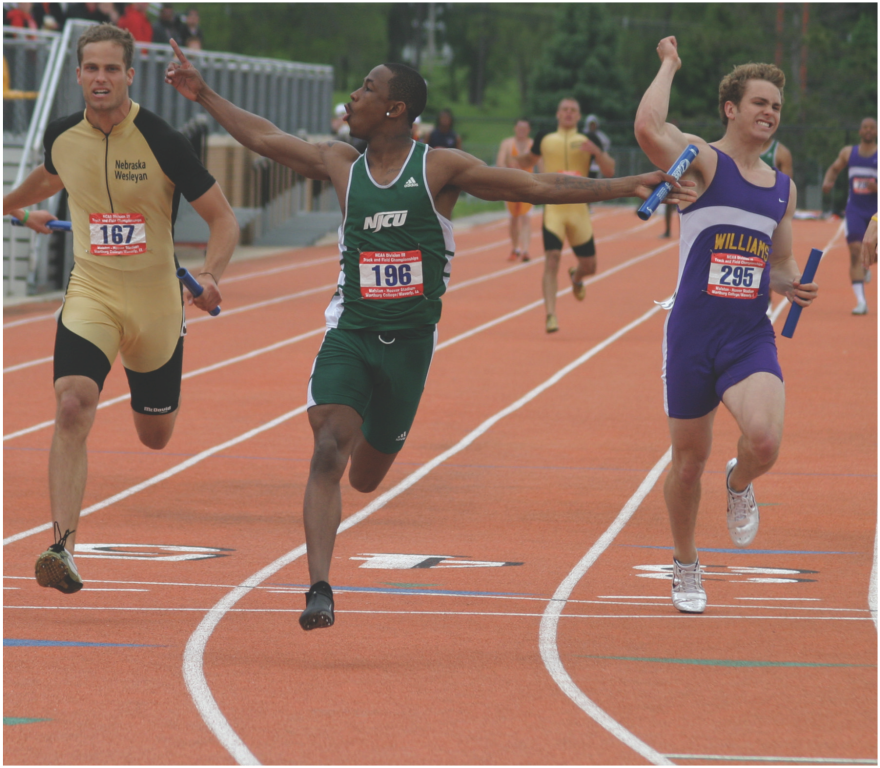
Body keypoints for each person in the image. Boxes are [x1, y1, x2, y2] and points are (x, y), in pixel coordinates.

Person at [164, 44, 694, 631]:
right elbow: (264, 139)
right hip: (352, 330)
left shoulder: (439, 169)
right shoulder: (341, 162)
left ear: (394, 109)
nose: (352, 96)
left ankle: (363, 455)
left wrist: (627, 186)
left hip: (411, 346)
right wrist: (204, 93)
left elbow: (535, 187)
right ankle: (319, 587)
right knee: (327, 447)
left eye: (365, 89)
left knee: (365, 476)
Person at [1, 24, 239, 595]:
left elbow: (223, 219)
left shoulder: (162, 139)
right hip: (93, 294)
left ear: (130, 75)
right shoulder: (62, 136)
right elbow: (50, 178)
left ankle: (152, 388)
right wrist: (10, 207)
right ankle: (63, 546)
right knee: (72, 406)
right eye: (91, 68)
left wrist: (209, 274)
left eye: (112, 68)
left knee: (155, 435)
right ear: (78, 74)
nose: (100, 78)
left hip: (157, 304)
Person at [634, 37, 818, 615]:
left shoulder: (780, 189)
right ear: (731, 108)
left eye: (777, 107)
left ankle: (739, 483)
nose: (770, 112)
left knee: (764, 440)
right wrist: (669, 64)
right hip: (691, 333)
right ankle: (686, 563)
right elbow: (646, 126)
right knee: (688, 463)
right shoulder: (701, 161)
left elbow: (781, 263)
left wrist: (792, 284)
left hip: (747, 334)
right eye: (760, 102)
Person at [514, 97, 615, 333]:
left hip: (579, 210)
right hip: (554, 209)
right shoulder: (545, 138)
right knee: (551, 259)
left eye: (573, 110)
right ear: (558, 114)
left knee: (590, 266)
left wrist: (597, 152)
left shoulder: (589, 139)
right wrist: (514, 159)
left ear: (579, 116)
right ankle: (551, 315)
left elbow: (610, 169)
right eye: (565, 110)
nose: (569, 113)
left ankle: (577, 277)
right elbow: (528, 160)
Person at [822, 117, 878, 314]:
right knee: (855, 251)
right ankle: (861, 302)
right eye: (865, 127)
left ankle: (868, 264)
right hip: (855, 209)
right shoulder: (849, 152)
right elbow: (835, 168)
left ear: (876, 132)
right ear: (860, 131)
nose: (868, 130)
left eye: (872, 127)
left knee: (872, 253)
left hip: (876, 213)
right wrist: (828, 182)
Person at [496, 117, 536, 262]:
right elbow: (500, 163)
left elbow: (541, 164)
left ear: (528, 130)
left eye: (524, 128)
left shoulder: (533, 145)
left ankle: (525, 250)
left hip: (527, 186)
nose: (521, 131)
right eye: (519, 128)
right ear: (515, 128)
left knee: (526, 218)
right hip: (511, 186)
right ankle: (515, 248)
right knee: (513, 219)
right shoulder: (507, 144)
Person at [584, 114, 611, 179]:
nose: (592, 126)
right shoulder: (583, 135)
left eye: (594, 124)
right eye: (591, 124)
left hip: (597, 163)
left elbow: (605, 146)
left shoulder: (601, 137)